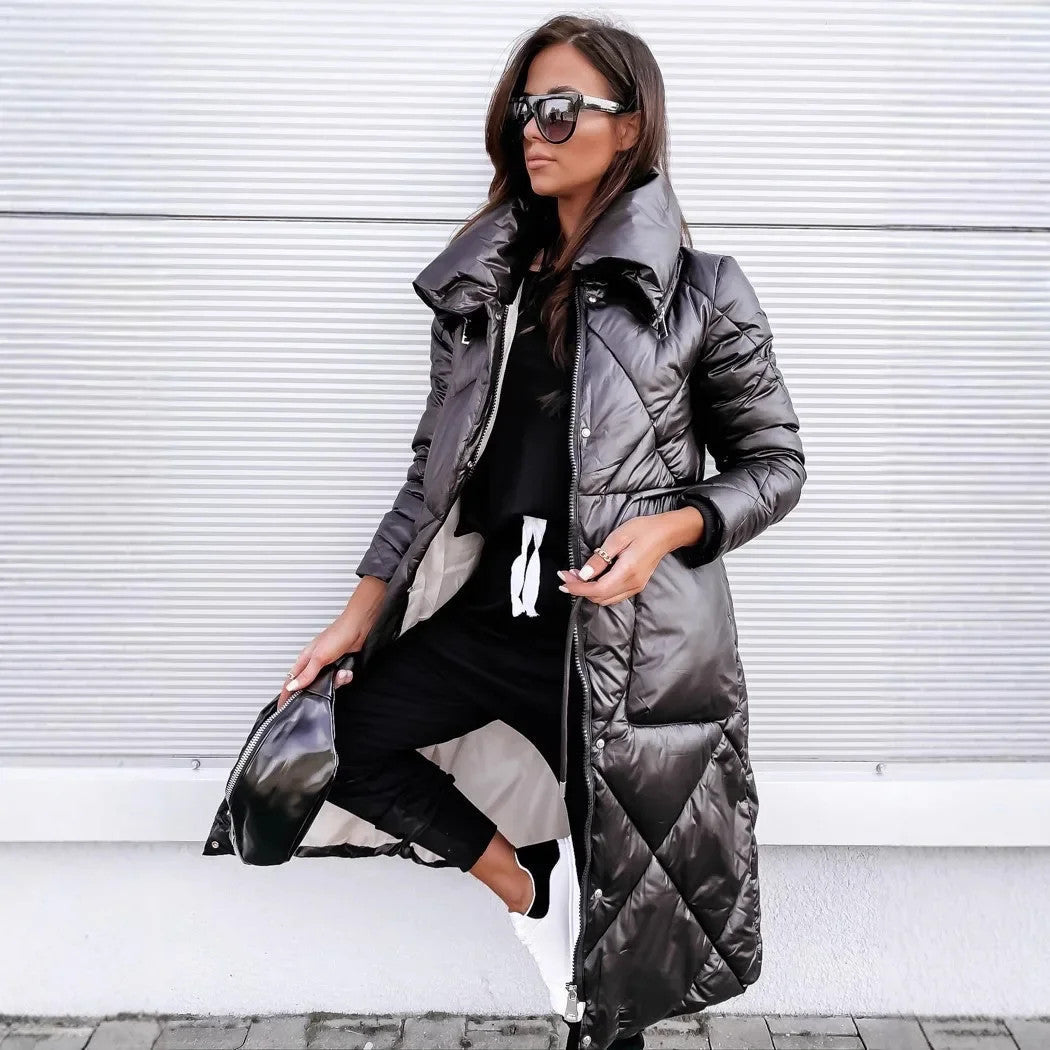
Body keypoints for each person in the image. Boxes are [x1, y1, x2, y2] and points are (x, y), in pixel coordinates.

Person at [275, 15, 805, 1050]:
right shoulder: (486, 291)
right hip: (491, 618)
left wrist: (669, 528)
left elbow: (775, 466)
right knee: (337, 739)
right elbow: (429, 475)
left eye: (561, 108)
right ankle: (527, 883)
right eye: (525, 108)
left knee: (619, 955)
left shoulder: (704, 293)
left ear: (629, 125)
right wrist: (357, 614)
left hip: (620, 646)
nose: (534, 128)